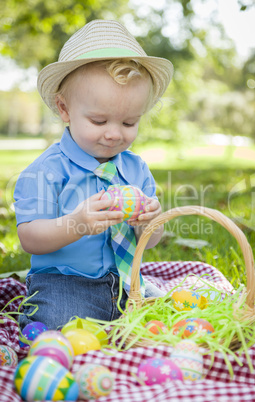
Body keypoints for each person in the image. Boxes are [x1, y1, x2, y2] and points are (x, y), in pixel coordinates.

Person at [14, 19, 173, 330]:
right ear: (64, 109)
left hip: (129, 284)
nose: (114, 134)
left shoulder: (135, 168)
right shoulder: (46, 171)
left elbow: (151, 242)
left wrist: (150, 223)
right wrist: (77, 223)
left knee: (167, 320)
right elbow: (29, 238)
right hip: (66, 283)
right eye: (99, 121)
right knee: (59, 325)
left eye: (129, 123)